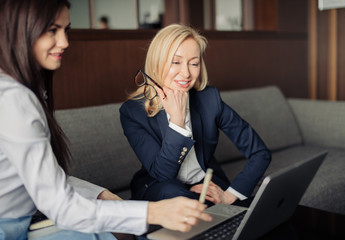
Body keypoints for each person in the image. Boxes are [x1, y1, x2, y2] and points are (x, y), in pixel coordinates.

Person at [0, 1, 211, 239]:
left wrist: (100, 193)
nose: (65, 42)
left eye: (65, 30)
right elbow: (60, 205)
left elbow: (42, 174)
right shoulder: (13, 100)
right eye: (52, 30)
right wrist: (153, 211)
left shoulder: (25, 91)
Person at [120, 24, 272, 207]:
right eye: (176, 62)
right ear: (156, 62)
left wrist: (231, 195)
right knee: (176, 196)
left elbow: (260, 152)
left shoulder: (209, 100)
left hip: (206, 185)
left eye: (194, 63)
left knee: (251, 213)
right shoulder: (132, 112)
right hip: (161, 189)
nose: (186, 73)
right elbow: (163, 175)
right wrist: (177, 121)